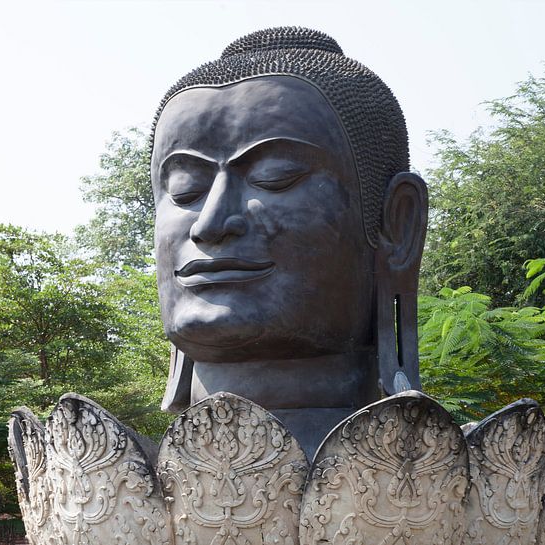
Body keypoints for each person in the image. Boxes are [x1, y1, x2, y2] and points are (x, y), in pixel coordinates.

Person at [150, 27, 428, 455]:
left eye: (274, 176)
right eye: (186, 189)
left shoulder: (473, 481)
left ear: (400, 224)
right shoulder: (108, 479)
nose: (211, 223)